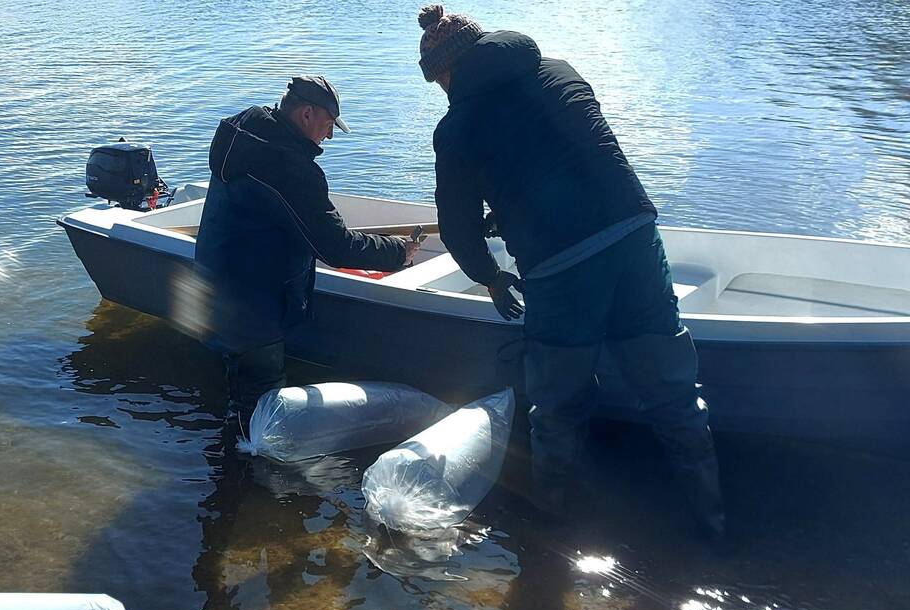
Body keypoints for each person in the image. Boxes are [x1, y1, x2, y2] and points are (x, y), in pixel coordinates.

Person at [415, 5, 729, 550]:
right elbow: (565, 156)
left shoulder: (457, 127)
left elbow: (458, 229)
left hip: (560, 265)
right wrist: (510, 206)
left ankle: (551, 532)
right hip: (633, 234)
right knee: (673, 395)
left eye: (440, 80)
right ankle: (713, 525)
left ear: (449, 71)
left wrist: (489, 277)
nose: (442, 90)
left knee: (558, 406)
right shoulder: (560, 70)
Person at [195, 76, 420, 430]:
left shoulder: (244, 129)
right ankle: (244, 469)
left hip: (212, 287)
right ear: (306, 114)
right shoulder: (290, 168)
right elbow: (333, 245)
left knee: (234, 390)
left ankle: (226, 457)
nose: (328, 136)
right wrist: (397, 253)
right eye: (329, 124)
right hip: (253, 307)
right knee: (260, 411)